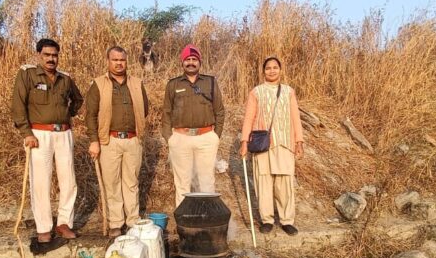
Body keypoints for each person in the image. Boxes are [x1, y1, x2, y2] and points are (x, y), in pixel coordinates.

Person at [11, 38, 84, 243]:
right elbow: (18, 105)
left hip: (63, 133)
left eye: (54, 55)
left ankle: (64, 223)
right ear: (39, 55)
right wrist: (26, 133)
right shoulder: (27, 74)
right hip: (38, 134)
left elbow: (78, 99)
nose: (51, 59)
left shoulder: (65, 78)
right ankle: (44, 227)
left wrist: (67, 113)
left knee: (68, 180)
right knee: (41, 182)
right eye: (47, 55)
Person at [85, 46, 149, 237]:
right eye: (115, 60)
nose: (119, 63)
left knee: (131, 182)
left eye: (122, 60)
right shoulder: (98, 84)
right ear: (108, 61)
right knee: (112, 183)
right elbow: (90, 115)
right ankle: (115, 223)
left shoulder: (137, 83)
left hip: (133, 140)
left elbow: (144, 109)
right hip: (109, 141)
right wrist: (94, 141)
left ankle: (132, 221)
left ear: (126, 61)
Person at [239, 57, 304, 236]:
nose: (272, 71)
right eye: (268, 68)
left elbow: (295, 117)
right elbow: (249, 118)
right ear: (263, 71)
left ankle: (286, 220)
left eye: (275, 68)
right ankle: (267, 220)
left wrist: (299, 141)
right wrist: (244, 142)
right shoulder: (256, 92)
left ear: (280, 70)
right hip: (262, 144)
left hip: (284, 142)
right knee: (264, 182)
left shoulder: (288, 91)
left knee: (284, 183)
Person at [162, 44, 225, 206]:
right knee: (182, 183)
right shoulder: (173, 84)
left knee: (206, 181)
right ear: (182, 62)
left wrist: (215, 136)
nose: (191, 62)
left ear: (200, 62)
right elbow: (166, 113)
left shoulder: (210, 82)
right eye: (187, 59)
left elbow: (219, 111)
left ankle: (206, 220)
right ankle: (185, 222)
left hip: (206, 138)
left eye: (194, 59)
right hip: (180, 139)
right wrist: (170, 138)